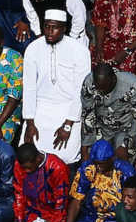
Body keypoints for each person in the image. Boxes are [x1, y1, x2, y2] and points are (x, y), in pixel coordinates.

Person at [21, 10, 90, 166]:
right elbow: (29, 88)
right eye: (46, 27)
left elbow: (81, 91)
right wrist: (30, 123)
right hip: (40, 107)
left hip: (69, 109)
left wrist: (68, 125)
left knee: (65, 156)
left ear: (64, 28)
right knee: (29, 151)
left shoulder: (80, 51)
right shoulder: (33, 48)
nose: (49, 32)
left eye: (54, 27)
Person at [64, 140, 135, 222]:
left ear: (112, 159)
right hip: (90, 218)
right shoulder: (87, 168)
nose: (98, 167)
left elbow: (128, 207)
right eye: (96, 163)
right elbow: (76, 202)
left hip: (115, 221)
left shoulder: (125, 171)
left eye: (101, 163)